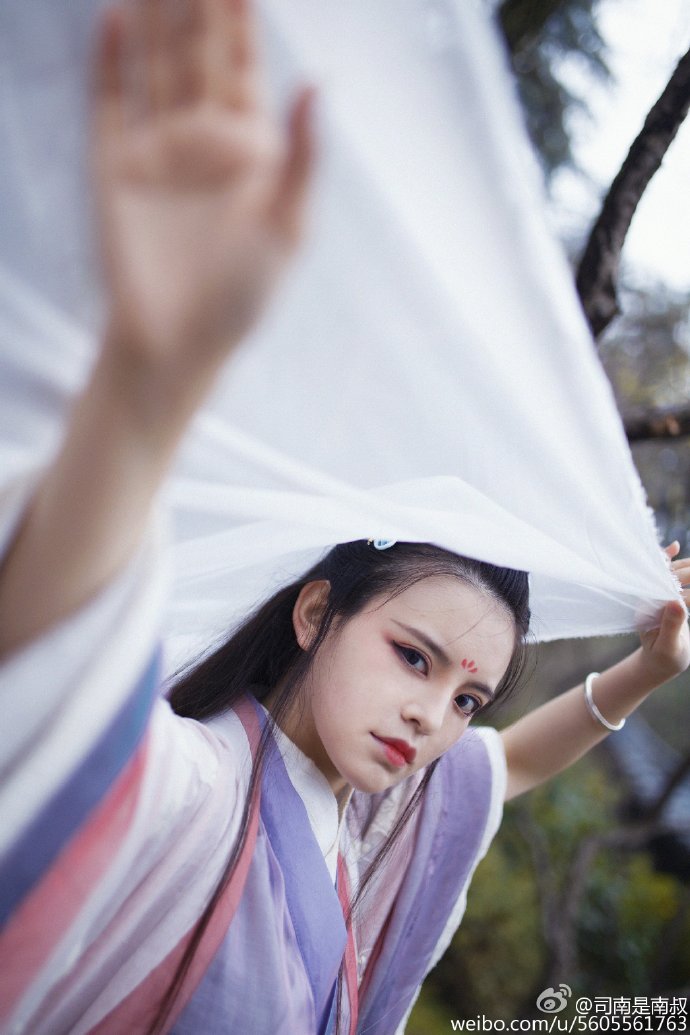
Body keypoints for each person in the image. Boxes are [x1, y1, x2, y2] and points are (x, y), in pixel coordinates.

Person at [0, 1, 688, 1032]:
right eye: (415, 657)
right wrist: (145, 381)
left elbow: (514, 763)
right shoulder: (188, 796)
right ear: (316, 610)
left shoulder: (375, 822)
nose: (434, 719)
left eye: (468, 698)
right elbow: (55, 639)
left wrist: (650, 669)